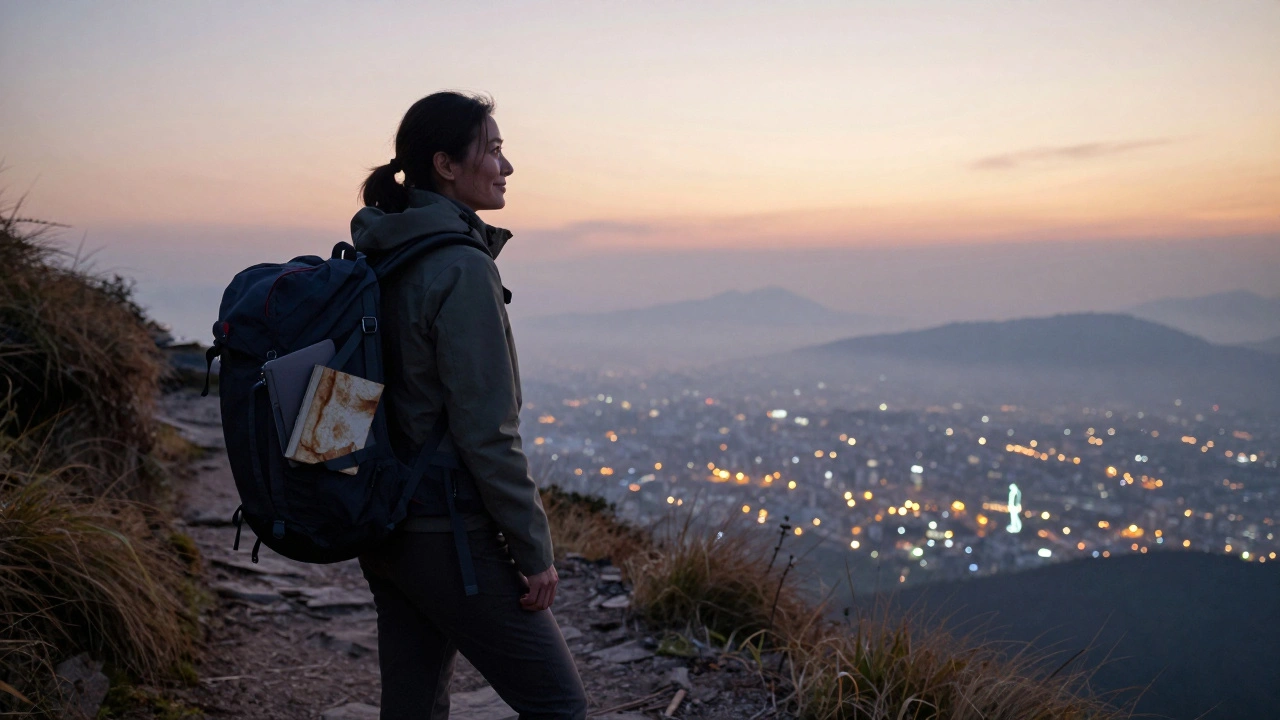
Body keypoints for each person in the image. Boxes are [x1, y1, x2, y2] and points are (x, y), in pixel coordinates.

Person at [351, 91, 587, 720]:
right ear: (446, 165)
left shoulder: (383, 248)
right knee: (559, 706)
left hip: (383, 518)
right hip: (446, 529)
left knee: (413, 706)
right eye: (494, 150)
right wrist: (533, 551)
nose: (506, 167)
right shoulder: (459, 265)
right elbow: (488, 431)